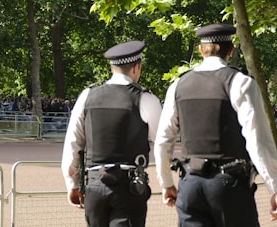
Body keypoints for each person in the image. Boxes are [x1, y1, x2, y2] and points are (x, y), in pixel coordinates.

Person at [154, 24, 277, 226]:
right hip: (229, 186)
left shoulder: (178, 85)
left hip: (190, 185)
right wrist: (274, 186)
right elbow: (257, 140)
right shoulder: (240, 82)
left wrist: (166, 183)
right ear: (231, 49)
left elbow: (163, 141)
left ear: (201, 50)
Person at [61, 41, 163, 226]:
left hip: (94, 184)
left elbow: (73, 144)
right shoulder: (145, 98)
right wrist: (166, 182)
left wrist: (72, 184)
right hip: (129, 186)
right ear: (136, 68)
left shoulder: (88, 95)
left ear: (112, 67)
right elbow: (162, 142)